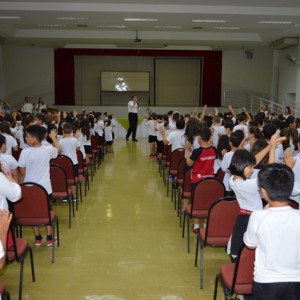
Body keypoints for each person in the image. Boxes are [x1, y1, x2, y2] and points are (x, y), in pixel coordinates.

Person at [244, 163, 300, 300]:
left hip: (266, 281)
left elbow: (250, 244)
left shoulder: (258, 216)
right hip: (296, 279)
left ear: (264, 192)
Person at [18, 125, 60, 247]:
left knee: (32, 212)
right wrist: (54, 138)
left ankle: (37, 237)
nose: (25, 138)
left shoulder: (25, 152)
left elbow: (22, 173)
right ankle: (50, 238)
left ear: (34, 138)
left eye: (27, 136)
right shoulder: (48, 149)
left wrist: (19, 186)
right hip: (45, 189)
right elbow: (58, 150)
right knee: (46, 212)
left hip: (28, 188)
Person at [185, 127, 217, 233]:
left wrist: (187, 150)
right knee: (208, 202)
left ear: (199, 138)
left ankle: (196, 226)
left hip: (197, 182)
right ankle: (206, 225)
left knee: (197, 202)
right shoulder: (214, 150)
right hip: (211, 181)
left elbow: (189, 163)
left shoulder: (197, 151)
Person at [59, 122, 81, 200]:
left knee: (65, 179)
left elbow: (59, 150)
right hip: (73, 162)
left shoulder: (61, 141)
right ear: (72, 131)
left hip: (63, 163)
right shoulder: (74, 140)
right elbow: (78, 149)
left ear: (63, 131)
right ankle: (74, 196)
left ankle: (66, 196)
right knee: (73, 180)